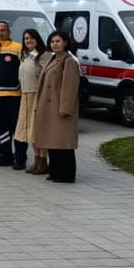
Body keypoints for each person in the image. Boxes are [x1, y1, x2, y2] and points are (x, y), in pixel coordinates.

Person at [34, 31, 82, 183]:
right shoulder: (53, 59)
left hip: (60, 108)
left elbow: (70, 87)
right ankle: (55, 171)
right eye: (52, 41)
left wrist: (65, 108)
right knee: (52, 142)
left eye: (58, 41)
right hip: (48, 108)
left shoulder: (69, 61)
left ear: (65, 43)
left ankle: (66, 174)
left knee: (63, 143)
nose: (54, 44)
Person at [0, 21, 23, 167]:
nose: (0, 32)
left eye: (3, 30)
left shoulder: (18, 48)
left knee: (16, 127)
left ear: (9, 31)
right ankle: (5, 154)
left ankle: (20, 158)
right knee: (1, 126)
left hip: (13, 94)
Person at [14, 29, 46, 172]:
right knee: (29, 132)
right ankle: (36, 159)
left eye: (31, 38)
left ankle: (43, 161)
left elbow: (47, 77)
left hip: (37, 96)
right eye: (26, 38)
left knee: (38, 131)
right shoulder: (25, 56)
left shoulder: (43, 56)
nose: (28, 41)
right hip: (25, 96)